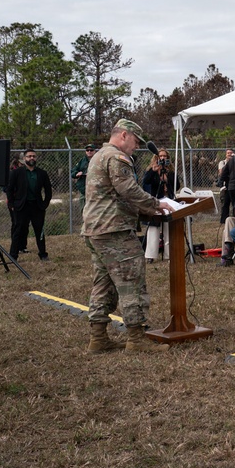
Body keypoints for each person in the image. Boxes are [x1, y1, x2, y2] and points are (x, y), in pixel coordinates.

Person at [83, 119, 174, 353]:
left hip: (96, 230)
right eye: (135, 141)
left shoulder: (99, 155)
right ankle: (136, 339)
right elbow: (128, 189)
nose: (137, 147)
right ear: (124, 135)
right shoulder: (117, 158)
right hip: (114, 230)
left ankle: (98, 338)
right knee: (131, 282)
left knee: (103, 284)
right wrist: (156, 204)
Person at [7, 148, 53, 263]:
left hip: (37, 207)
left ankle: (43, 254)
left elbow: (48, 190)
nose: (31, 158)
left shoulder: (42, 173)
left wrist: (45, 204)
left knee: (39, 231)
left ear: (36, 158)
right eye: (29, 156)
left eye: (33, 156)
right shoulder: (17, 173)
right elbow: (9, 189)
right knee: (18, 230)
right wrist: (12, 204)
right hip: (21, 206)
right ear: (24, 159)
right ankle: (13, 255)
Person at [141, 148, 175, 263]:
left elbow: (177, 185)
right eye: (160, 156)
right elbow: (145, 181)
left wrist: (167, 178)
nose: (162, 158)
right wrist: (153, 170)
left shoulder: (170, 171)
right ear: (156, 157)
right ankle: (150, 255)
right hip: (156, 201)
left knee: (168, 228)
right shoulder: (152, 169)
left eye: (165, 156)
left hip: (168, 201)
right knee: (153, 228)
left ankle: (168, 254)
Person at [217, 147, 235, 223]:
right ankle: (223, 220)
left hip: (233, 185)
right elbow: (221, 172)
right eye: (228, 153)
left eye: (231, 153)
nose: (230, 154)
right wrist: (229, 163)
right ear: (226, 154)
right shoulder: (222, 162)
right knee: (225, 204)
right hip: (225, 187)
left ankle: (234, 219)